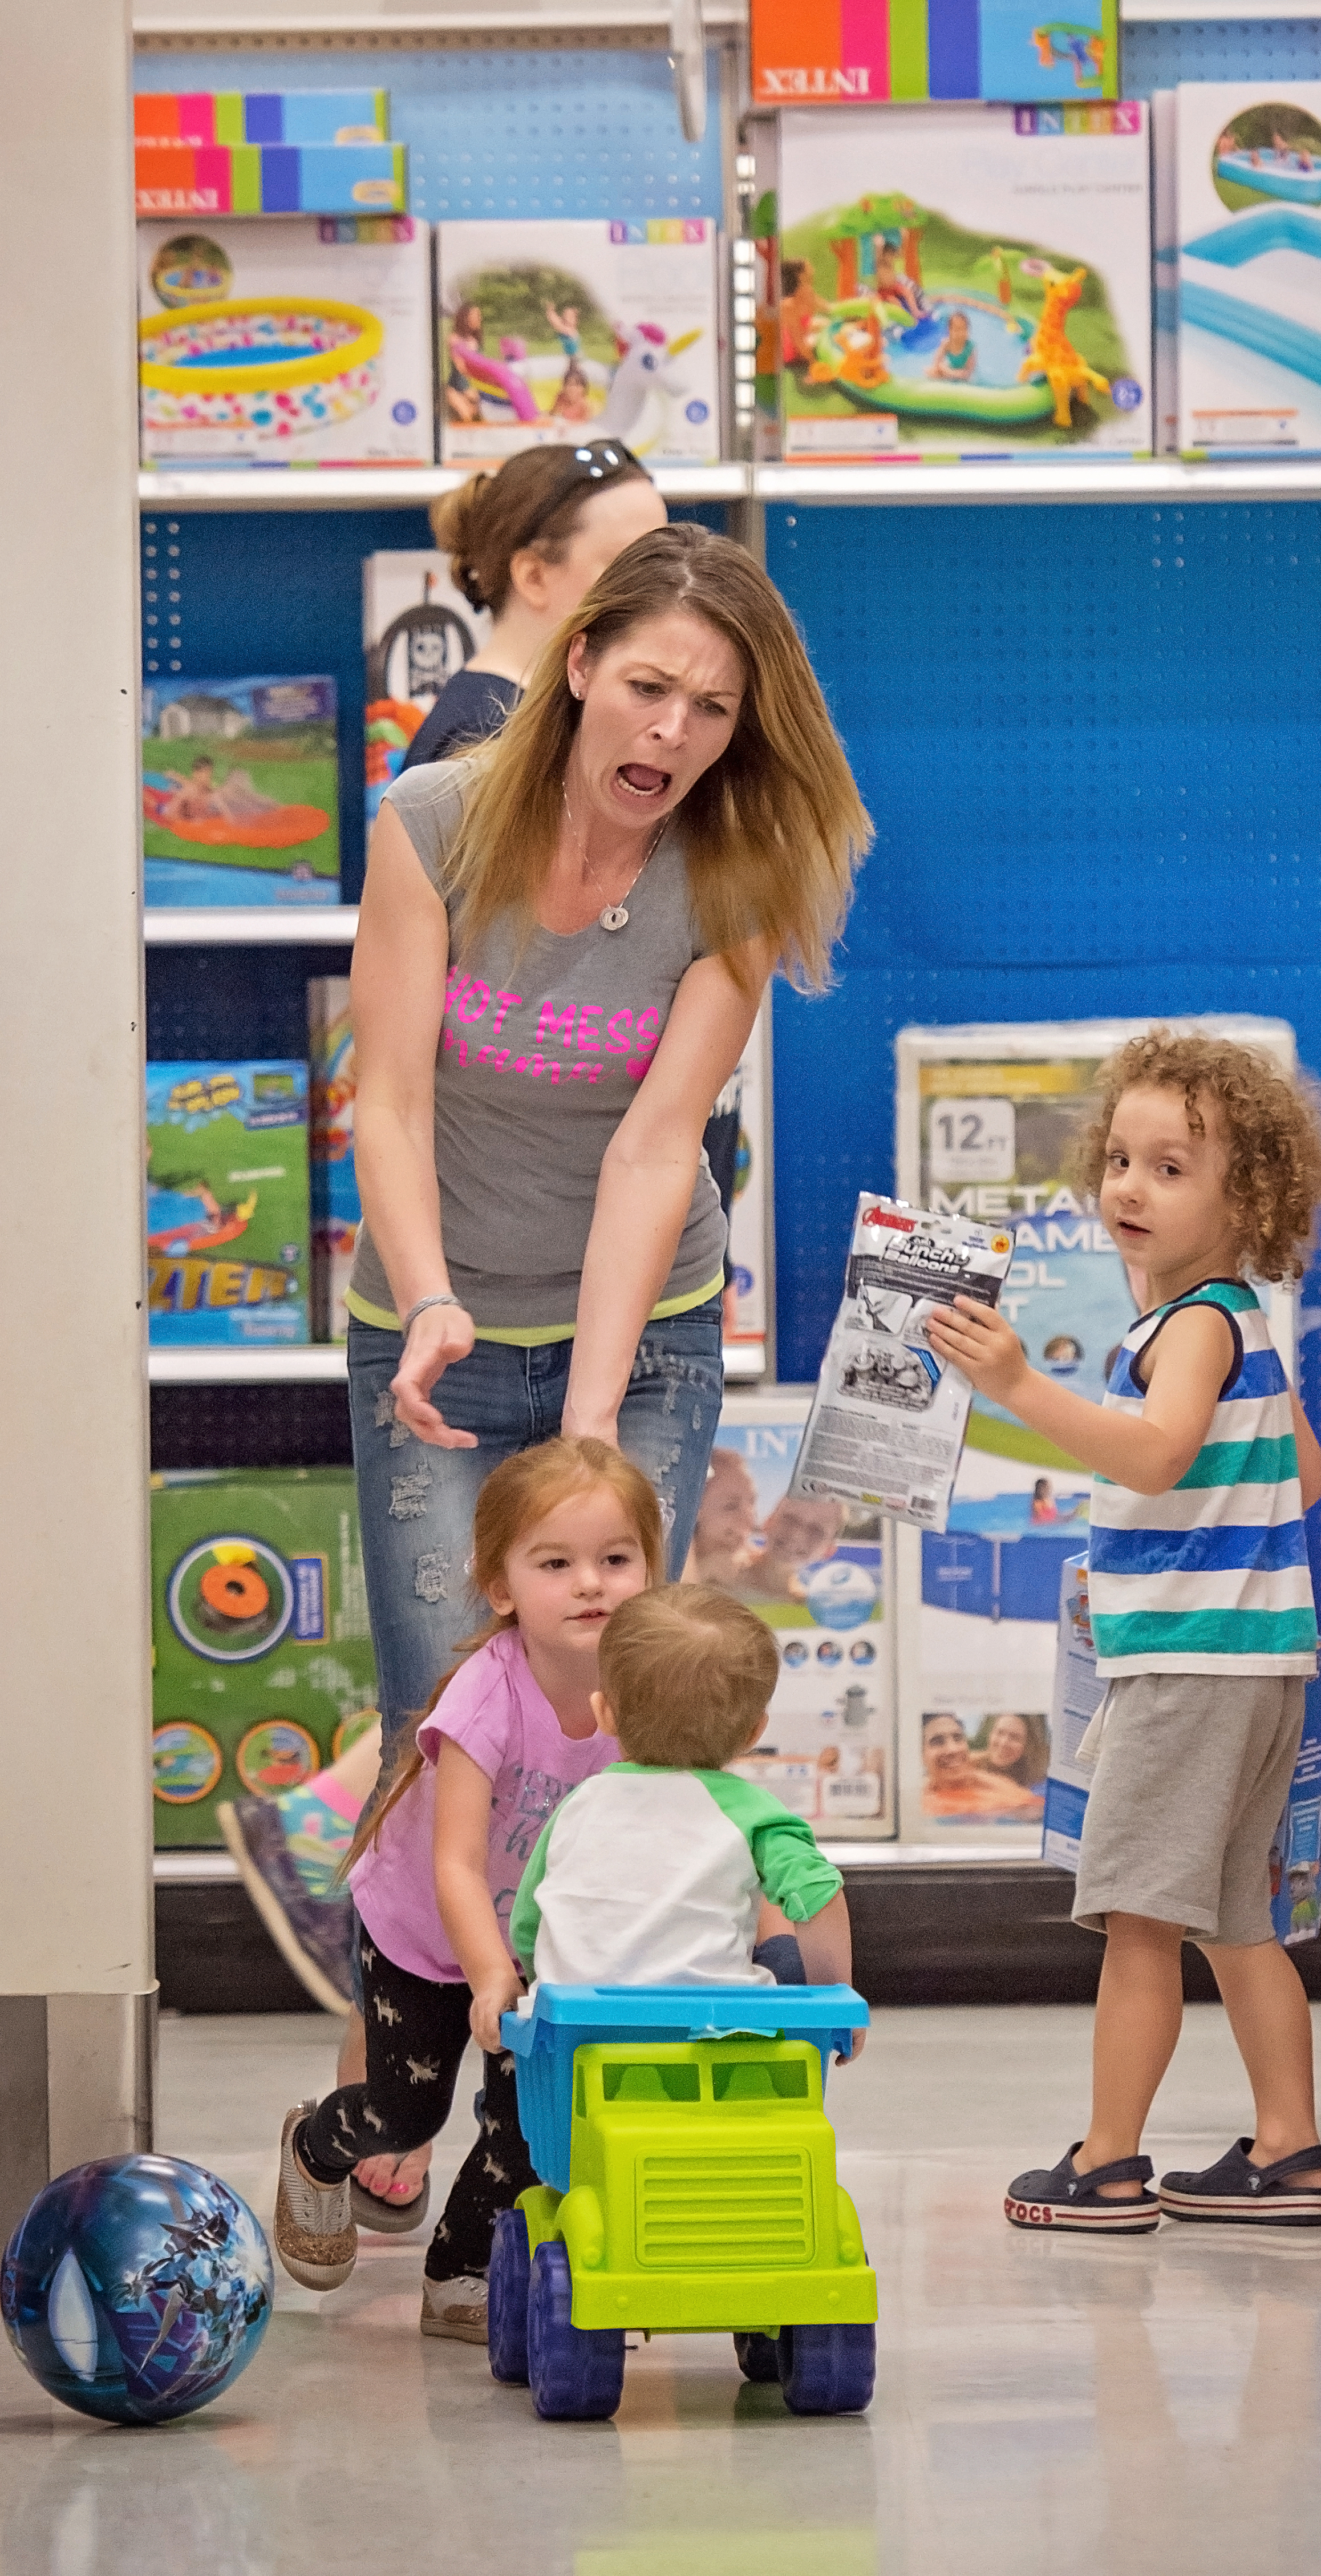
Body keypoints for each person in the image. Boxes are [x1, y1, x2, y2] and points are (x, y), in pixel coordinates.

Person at [307, 520, 868, 2229]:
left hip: (646, 1322)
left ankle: (531, 2129)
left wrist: (587, 1421)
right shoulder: (431, 823)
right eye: (647, 687)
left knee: (603, 1706)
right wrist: (428, 1302)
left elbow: (651, 1149)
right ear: (576, 666)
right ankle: (385, 2075)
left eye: (713, 708)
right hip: (433, 1313)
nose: (672, 733)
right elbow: (390, 1097)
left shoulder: (735, 871)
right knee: (444, 1714)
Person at [927, 1029, 1321, 2236]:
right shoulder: (1238, 1320)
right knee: (1238, 1921)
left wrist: (1020, 1385)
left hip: (1187, 1668)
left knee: (1138, 1919)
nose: (1130, 1186)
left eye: (1170, 1168)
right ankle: (1289, 2145)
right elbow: (1303, 1473)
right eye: (1119, 1158)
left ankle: (1107, 2161)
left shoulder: (1191, 1328)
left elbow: (1157, 1455)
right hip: (1256, 1662)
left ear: (1246, 1197)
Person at [271, 1436, 663, 2342]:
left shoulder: (641, 1692)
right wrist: (488, 1974)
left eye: (615, 1559)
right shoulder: (487, 1697)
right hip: (420, 1930)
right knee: (405, 2110)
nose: (590, 1584)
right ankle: (314, 2147)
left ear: (650, 1567)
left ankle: (458, 2272)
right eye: (555, 1564)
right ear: (500, 1586)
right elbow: (454, 1862)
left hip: (532, 1942)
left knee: (527, 2124)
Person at [510, 1584, 860, 2046]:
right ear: (754, 1731)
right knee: (786, 1955)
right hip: (714, 2032)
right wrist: (835, 2009)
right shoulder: (752, 1812)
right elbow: (819, 1895)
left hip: (582, 2035)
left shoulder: (578, 1804)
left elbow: (527, 1922)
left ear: (605, 1712)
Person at [403, 439, 667, 769]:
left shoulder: (530, 715)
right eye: (629, 564)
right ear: (533, 577)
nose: (666, 587)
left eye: (663, 562)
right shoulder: (488, 738)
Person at [919, 1712, 1037, 1818]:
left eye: (958, 1738)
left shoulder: (1009, 1793)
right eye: (937, 1742)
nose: (953, 1749)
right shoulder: (919, 1798)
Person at [737, 1491, 847, 1604]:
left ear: (829, 1551)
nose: (796, 1535)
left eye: (816, 1530)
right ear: (768, 1523)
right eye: (790, 1519)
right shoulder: (727, 1566)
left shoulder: (806, 1607)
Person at [684, 1442, 760, 1590]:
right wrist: (705, 1570)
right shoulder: (667, 1560)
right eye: (731, 1506)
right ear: (693, 1510)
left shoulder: (758, 1568)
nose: (749, 1519)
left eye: (752, 1502)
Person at [975, 1710, 1051, 1799]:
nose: (1003, 1743)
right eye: (1000, 1733)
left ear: (1028, 1747)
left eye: (1014, 1738)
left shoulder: (1039, 1787)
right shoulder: (972, 1766)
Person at [931, 310, 976, 382]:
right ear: (949, 331)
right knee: (931, 372)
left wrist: (952, 374)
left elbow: (968, 373)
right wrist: (948, 371)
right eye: (957, 330)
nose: (961, 333)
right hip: (950, 370)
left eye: (964, 329)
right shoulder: (946, 344)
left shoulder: (970, 348)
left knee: (969, 380)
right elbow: (937, 363)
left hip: (962, 374)